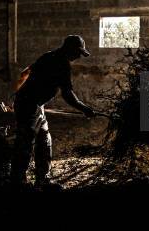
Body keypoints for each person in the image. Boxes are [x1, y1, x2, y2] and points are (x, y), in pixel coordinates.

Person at [10, 35, 96, 191]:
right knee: (26, 141)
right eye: (78, 53)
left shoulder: (48, 55)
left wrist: (16, 94)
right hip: (30, 105)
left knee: (44, 140)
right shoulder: (62, 64)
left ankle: (42, 179)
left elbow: (26, 72)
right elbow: (68, 95)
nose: (78, 57)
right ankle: (18, 181)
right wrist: (85, 109)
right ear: (69, 49)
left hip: (34, 104)